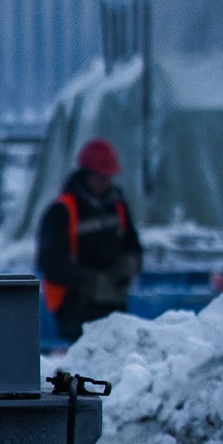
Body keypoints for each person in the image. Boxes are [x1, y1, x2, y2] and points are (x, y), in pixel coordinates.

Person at [37, 137, 142, 343]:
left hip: (113, 303)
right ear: (86, 175)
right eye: (100, 178)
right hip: (75, 308)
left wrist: (130, 264)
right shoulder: (62, 211)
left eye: (108, 177)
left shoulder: (117, 206)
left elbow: (133, 245)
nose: (105, 183)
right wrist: (88, 281)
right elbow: (49, 262)